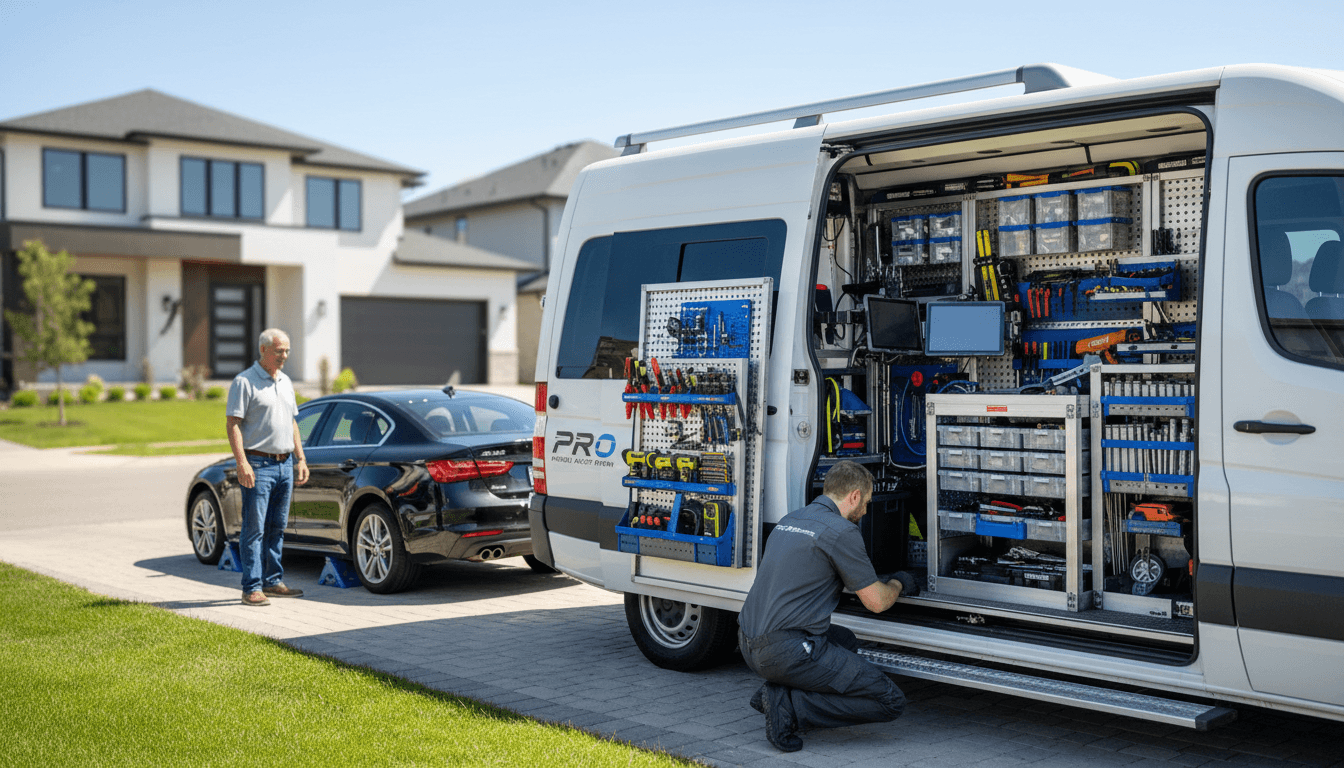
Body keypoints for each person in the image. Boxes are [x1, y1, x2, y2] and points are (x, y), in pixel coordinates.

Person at [737, 460, 917, 752]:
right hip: (784, 651)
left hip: (748, 641)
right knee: (890, 701)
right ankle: (789, 708)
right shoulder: (842, 531)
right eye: (868, 502)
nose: (867, 511)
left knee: (844, 639)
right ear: (854, 496)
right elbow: (877, 603)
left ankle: (777, 689)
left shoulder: (791, 518)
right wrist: (899, 582)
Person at [226, 328, 309, 606]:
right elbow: (233, 424)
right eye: (279, 351)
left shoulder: (285, 381)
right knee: (255, 528)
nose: (284, 356)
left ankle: (273, 582)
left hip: (285, 464)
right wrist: (242, 463)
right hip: (258, 465)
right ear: (263, 350)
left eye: (286, 350)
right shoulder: (244, 382)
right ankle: (251, 587)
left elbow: (293, 422)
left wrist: (300, 458)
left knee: (277, 527)